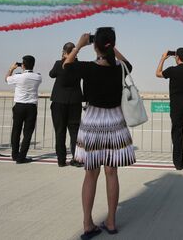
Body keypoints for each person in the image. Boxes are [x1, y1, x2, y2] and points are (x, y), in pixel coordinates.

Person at [63, 27, 135, 239]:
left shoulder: (87, 68)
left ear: (95, 46)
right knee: (111, 173)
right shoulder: (120, 67)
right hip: (115, 121)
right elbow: (129, 65)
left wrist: (79, 44)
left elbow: (66, 66)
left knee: (90, 173)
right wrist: (111, 46)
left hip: (93, 120)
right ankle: (112, 221)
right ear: (111, 45)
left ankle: (87, 223)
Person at [49, 42, 84, 167]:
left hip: (59, 101)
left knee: (60, 131)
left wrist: (63, 58)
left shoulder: (59, 64)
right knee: (74, 132)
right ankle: (77, 158)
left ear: (64, 51)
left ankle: (61, 160)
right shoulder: (79, 65)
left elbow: (51, 74)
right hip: (75, 101)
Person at [5, 55, 42, 164]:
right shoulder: (38, 77)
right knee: (28, 133)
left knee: (16, 131)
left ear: (23, 65)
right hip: (31, 107)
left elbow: (6, 79)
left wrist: (11, 69)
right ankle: (22, 156)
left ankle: (15, 154)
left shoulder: (18, 76)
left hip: (19, 106)